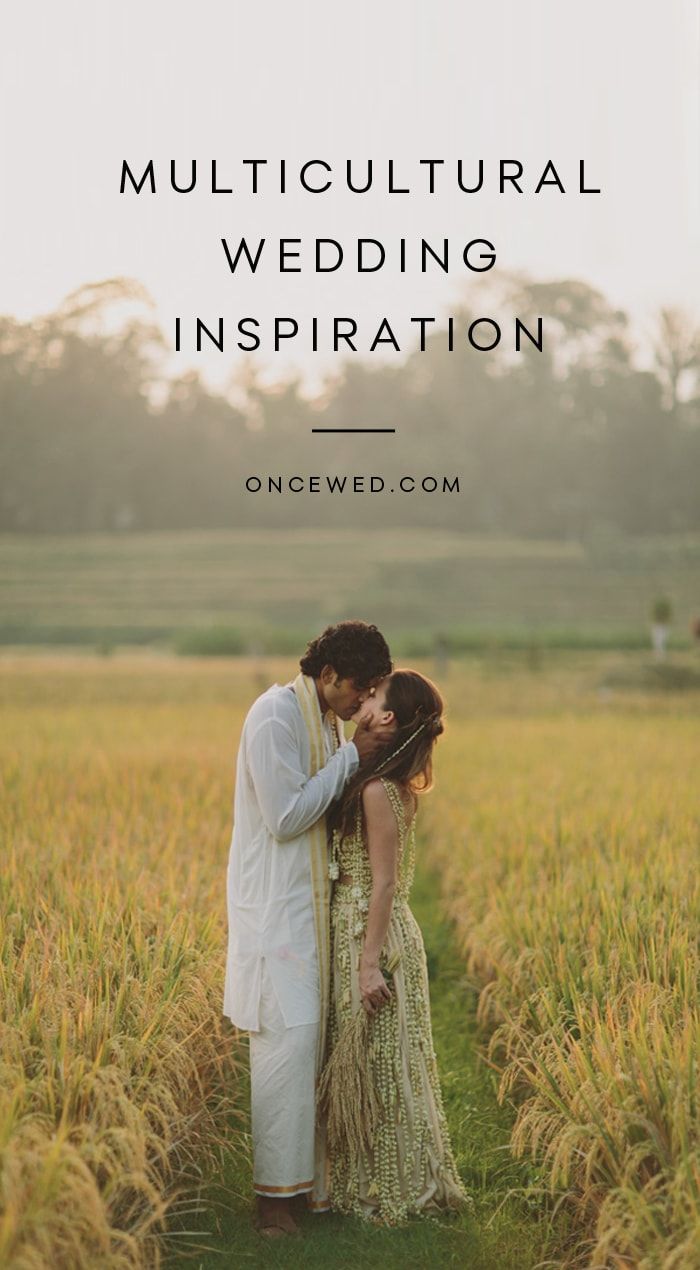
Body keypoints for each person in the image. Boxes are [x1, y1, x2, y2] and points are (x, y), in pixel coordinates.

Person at [222, 621, 394, 1237]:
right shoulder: (274, 716)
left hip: (305, 909)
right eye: (360, 689)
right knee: (283, 1050)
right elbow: (287, 815)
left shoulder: (321, 722)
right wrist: (354, 756)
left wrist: (354, 752)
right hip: (274, 913)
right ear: (328, 677)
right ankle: (272, 1208)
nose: (362, 703)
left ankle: (303, 1193)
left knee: (305, 1048)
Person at [321, 669, 470, 1224]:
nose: (362, 701)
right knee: (377, 1059)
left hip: (371, 933)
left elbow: (383, 882)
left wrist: (367, 963)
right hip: (368, 929)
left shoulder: (381, 791)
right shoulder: (384, 782)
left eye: (373, 697)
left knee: (382, 1063)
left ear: (386, 717)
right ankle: (370, 1176)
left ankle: (390, 1186)